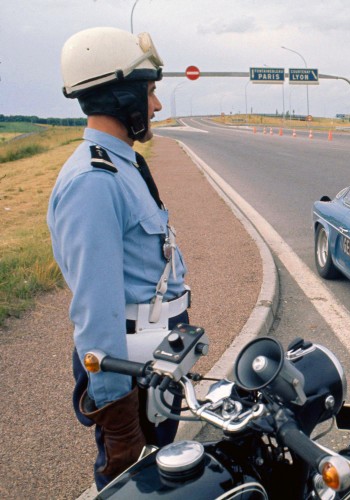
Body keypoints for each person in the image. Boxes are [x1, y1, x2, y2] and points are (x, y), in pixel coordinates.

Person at [47, 27, 190, 490]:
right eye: (150, 92)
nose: (156, 105)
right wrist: (118, 418)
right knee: (131, 482)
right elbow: (95, 310)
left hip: (153, 354)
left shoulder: (123, 164)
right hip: (128, 369)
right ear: (124, 96)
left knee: (165, 476)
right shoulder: (94, 181)